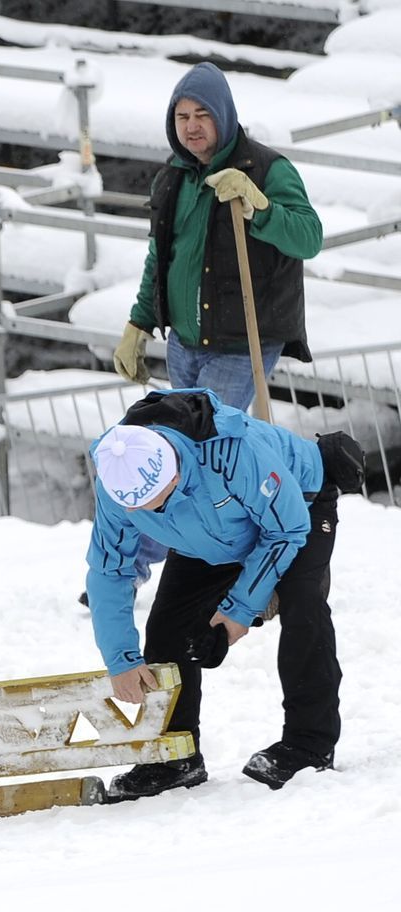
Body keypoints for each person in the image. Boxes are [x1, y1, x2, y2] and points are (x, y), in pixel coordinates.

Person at [102, 61, 324, 602]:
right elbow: (163, 254)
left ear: (224, 116)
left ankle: (252, 557)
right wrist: (138, 322)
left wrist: (260, 205)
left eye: (202, 114)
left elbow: (309, 237)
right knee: (179, 452)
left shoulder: (268, 169)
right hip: (185, 340)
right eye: (182, 116)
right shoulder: (173, 177)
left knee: (198, 451)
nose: (192, 126)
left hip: (241, 341)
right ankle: (157, 559)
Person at [85, 388, 359, 802]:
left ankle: (309, 745)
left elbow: (285, 530)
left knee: (304, 606)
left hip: (298, 507)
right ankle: (175, 758)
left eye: (155, 501)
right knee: (166, 629)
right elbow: (110, 569)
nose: (150, 513)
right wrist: (120, 657)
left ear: (173, 473)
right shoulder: (116, 478)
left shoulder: (230, 449)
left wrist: (238, 613)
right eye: (139, 508)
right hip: (207, 534)